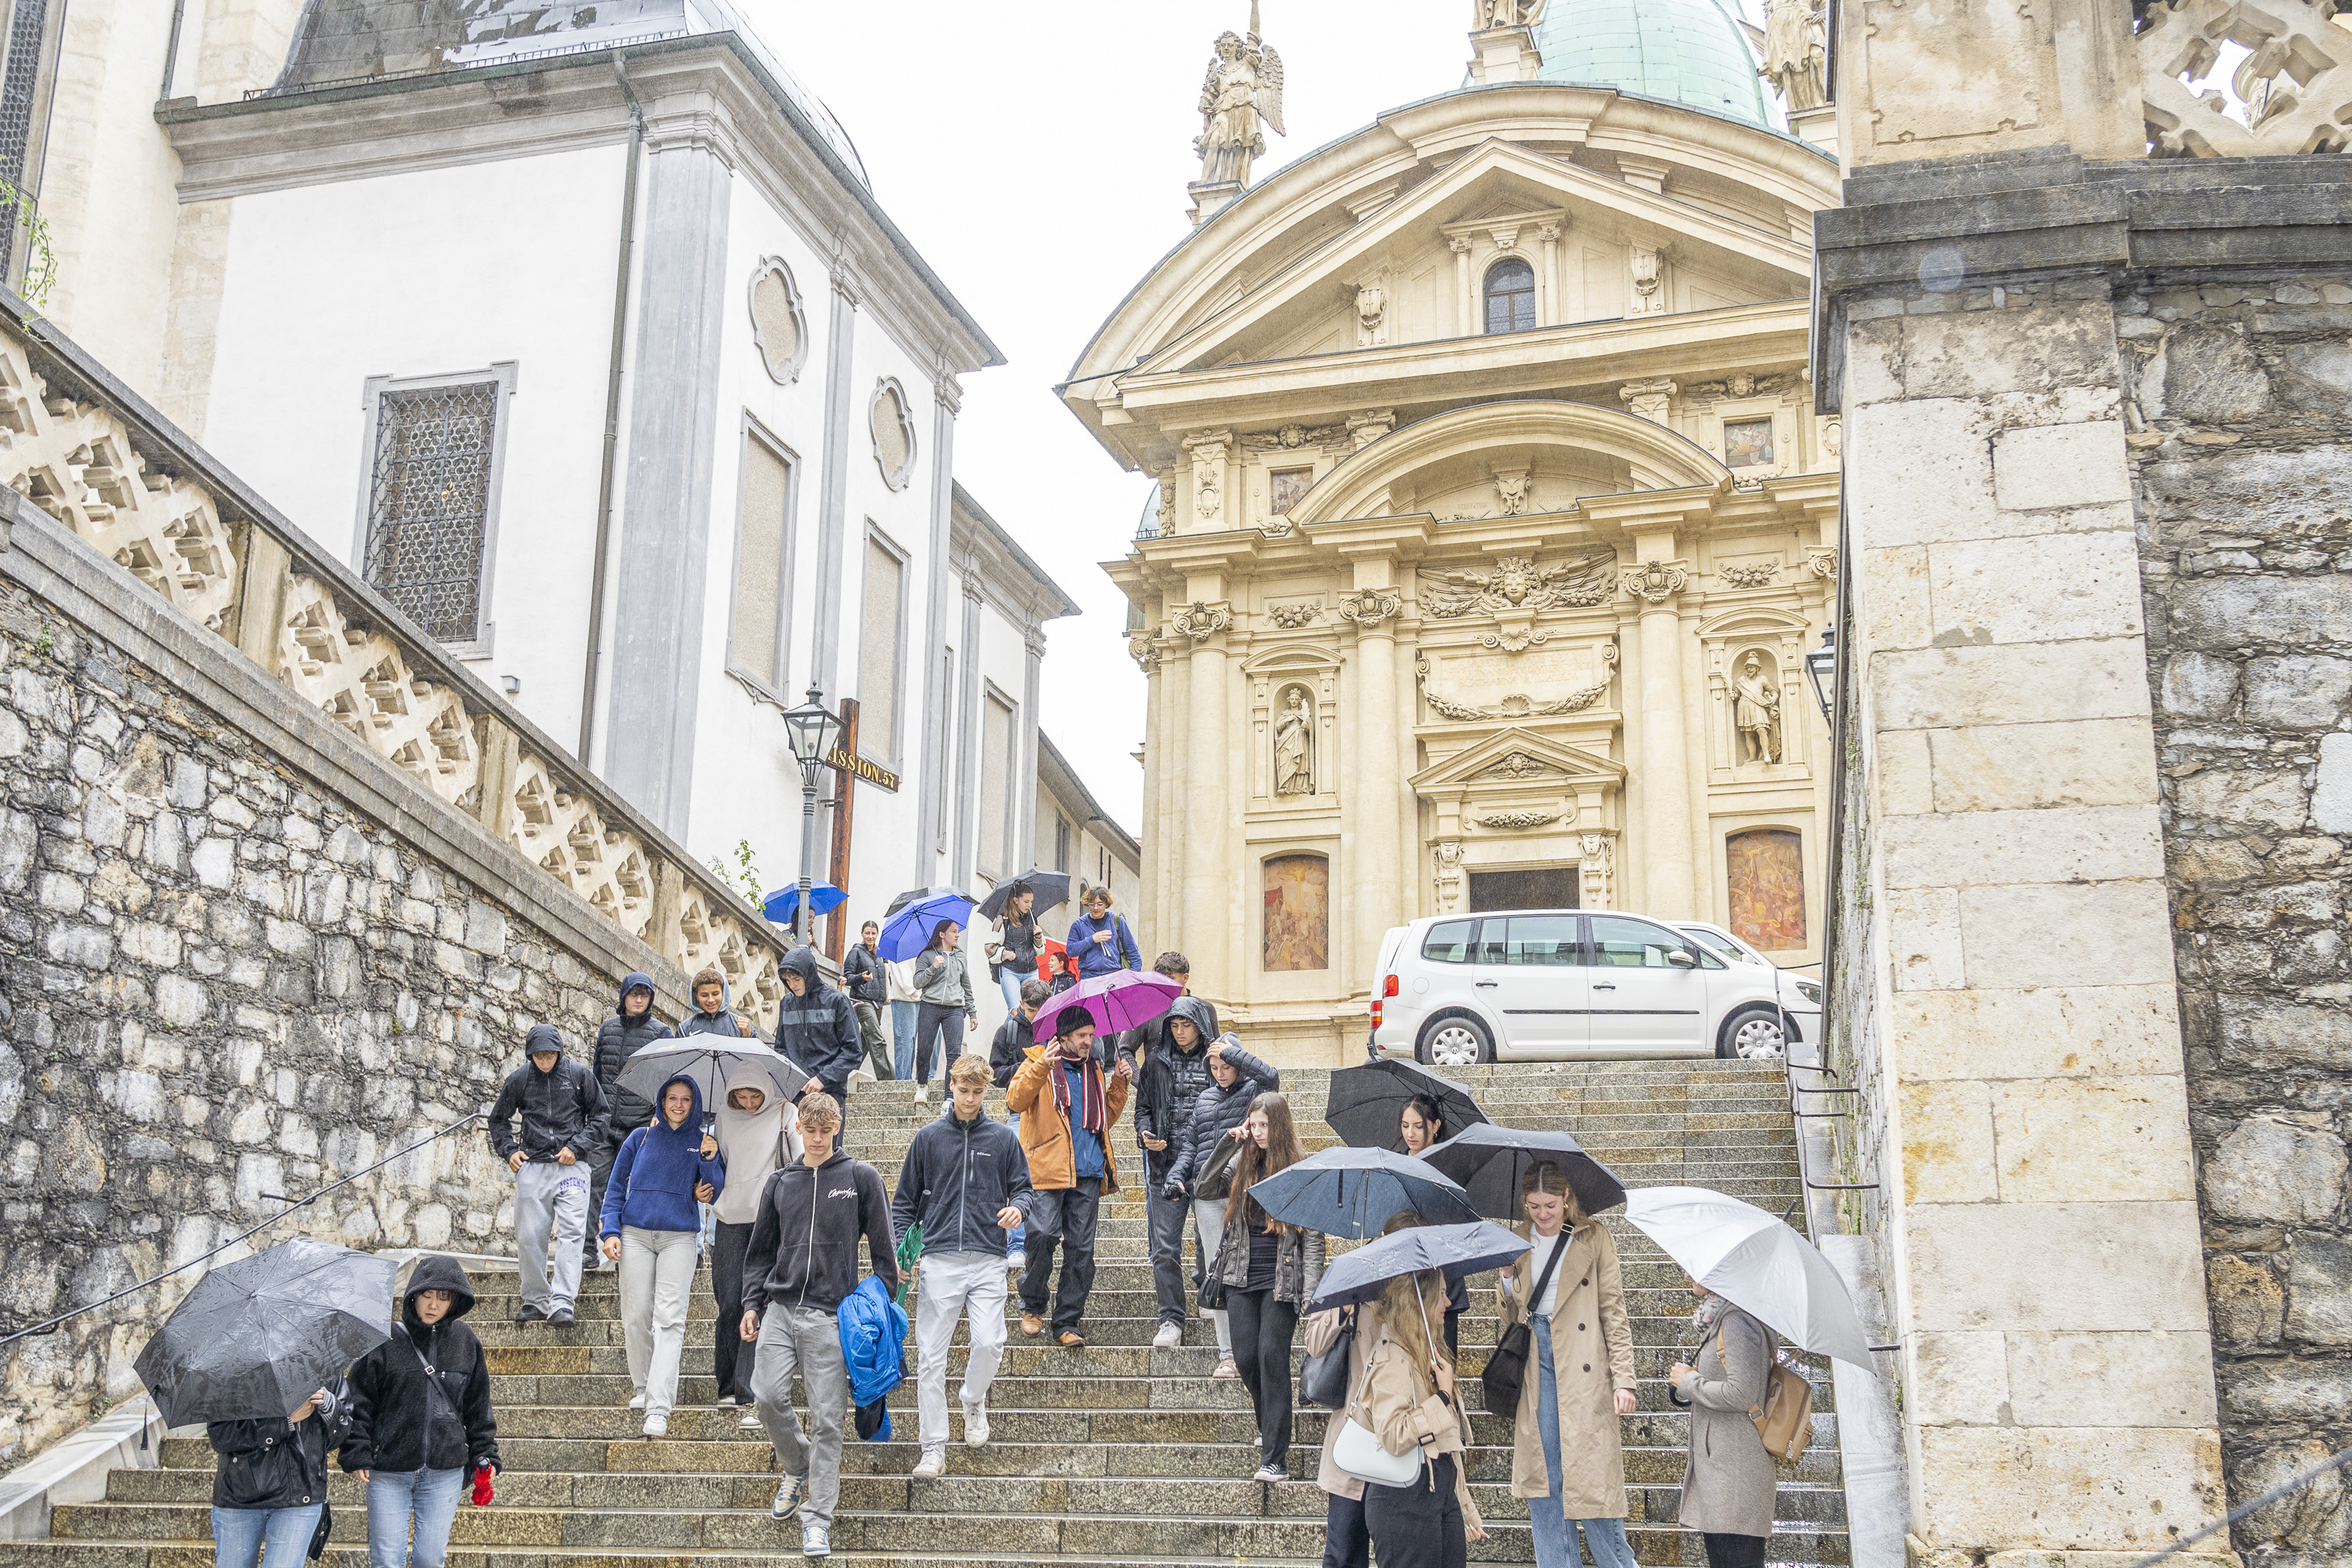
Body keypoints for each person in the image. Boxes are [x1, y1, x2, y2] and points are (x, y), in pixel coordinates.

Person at [742, 1091, 898, 1559]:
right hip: (780, 1308)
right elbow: (759, 1252)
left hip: (831, 1315)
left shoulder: (860, 1177)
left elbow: (885, 1253)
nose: (815, 1138)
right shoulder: (780, 1183)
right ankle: (797, 1463)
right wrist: (752, 1303)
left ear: (836, 1129)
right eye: (808, 1130)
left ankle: (818, 1519)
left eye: (824, 1130)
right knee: (766, 1395)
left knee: (829, 1419)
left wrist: (879, 1303)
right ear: (798, 1130)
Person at [891, 1052, 1030, 1479]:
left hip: (989, 1257)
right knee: (931, 1359)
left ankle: (973, 1397)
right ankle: (933, 1446)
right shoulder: (928, 1138)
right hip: (938, 1259)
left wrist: (1018, 1212)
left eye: (977, 1092)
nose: (970, 1099)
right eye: (963, 1090)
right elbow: (903, 1205)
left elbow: (1023, 1189)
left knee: (990, 1342)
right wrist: (902, 1252)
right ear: (950, 1086)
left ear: (987, 1091)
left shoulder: (1004, 1139)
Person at [1497, 1163, 1638, 1568]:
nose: (1543, 1214)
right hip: (1535, 1359)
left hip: (1584, 1358)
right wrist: (1506, 1277)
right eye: (1534, 1206)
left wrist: (1623, 1380)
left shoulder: (1594, 1237)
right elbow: (1508, 1319)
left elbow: (1613, 1310)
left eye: (1551, 1205)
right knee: (1545, 1479)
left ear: (1567, 1199)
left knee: (1592, 1479)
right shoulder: (1515, 1240)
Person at [341, 1256, 499, 1568]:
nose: (433, 1305)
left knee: (430, 1558)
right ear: (414, 1294)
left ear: (454, 1301)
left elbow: (478, 1406)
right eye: (427, 1295)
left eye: (443, 1297)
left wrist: (486, 1453)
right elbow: (358, 1400)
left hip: (445, 1471)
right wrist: (357, 1449)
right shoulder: (383, 1340)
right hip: (388, 1469)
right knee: (386, 1560)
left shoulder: (466, 1341)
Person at [599, 1074, 726, 1436]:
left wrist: (711, 1160)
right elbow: (614, 1187)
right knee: (636, 1315)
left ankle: (659, 1407)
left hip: (679, 1239)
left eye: (687, 1099)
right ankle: (642, 1386)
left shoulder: (703, 1142)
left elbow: (712, 1191)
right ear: (662, 1099)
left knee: (670, 1319)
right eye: (673, 1098)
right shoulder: (639, 1138)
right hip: (635, 1234)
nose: (679, 1105)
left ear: (695, 1103)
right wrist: (609, 1230)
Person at [1213, 1092, 1323, 1481]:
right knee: (1245, 1358)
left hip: (1282, 1281)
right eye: (1254, 1125)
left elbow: (1312, 1238)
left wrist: (1312, 1292)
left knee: (1271, 1357)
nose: (1258, 1133)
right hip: (1241, 1277)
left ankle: (1274, 1457)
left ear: (1279, 1125)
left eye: (1264, 1126)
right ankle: (1272, 1433)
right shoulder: (1243, 1165)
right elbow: (1204, 1186)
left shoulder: (1301, 1169)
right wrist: (1230, 1141)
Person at [1007, 1006, 1131, 1348]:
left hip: (1088, 1171)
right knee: (1042, 1235)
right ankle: (1032, 1305)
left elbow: (1104, 1118)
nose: (1089, 1041)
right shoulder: (1039, 1062)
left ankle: (1067, 1321)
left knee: (1081, 1250)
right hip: (1048, 1169)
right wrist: (1041, 1066)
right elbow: (1015, 1100)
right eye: (1082, 1036)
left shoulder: (1096, 1071)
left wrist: (1120, 1084)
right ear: (1063, 1038)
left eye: (1091, 1035)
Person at [1356, 1267, 1486, 1568]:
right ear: (1422, 1301)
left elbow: (1446, 1444)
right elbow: (1394, 1435)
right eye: (1441, 1294)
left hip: (1438, 1494)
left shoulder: (1427, 1354)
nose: (1449, 1302)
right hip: (1403, 1501)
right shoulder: (1393, 1357)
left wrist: (1464, 1507)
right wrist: (1442, 1397)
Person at [1166, 1031, 1277, 1377]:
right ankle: (1227, 1354)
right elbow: (1190, 1146)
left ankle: (1252, 1345)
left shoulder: (1253, 1093)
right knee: (1219, 1272)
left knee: (1244, 1270)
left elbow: (1271, 1077)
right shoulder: (1203, 1100)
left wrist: (1234, 1052)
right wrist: (1176, 1175)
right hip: (1208, 1195)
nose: (1220, 1071)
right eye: (1214, 1066)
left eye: (1226, 1064)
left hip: (1243, 1192)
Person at [488, 1022, 607, 1327]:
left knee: (572, 1234)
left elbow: (601, 1116)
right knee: (529, 1236)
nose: (544, 1060)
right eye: (538, 1055)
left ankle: (564, 1302)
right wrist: (509, 1150)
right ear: (530, 1055)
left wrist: (578, 1147)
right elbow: (498, 1119)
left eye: (549, 1055)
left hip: (573, 1167)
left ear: (559, 1052)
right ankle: (536, 1299)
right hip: (534, 1164)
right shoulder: (520, 1079)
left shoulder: (580, 1076)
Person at [1668, 1276, 1780, 1568]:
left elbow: (1742, 1393)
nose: (1687, 1275)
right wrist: (1698, 1377)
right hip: (1725, 1467)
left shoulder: (1737, 1320)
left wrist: (1690, 1381)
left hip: (1734, 1472)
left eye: (1697, 1268)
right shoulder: (1725, 1316)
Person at [1130, 985, 1218, 1349]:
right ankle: (1171, 1319)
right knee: (1164, 1248)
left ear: (1199, 1024)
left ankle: (1209, 1293)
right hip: (1164, 1166)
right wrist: (1145, 1134)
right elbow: (1142, 1110)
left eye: (1187, 1024)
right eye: (1175, 1024)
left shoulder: (1215, 1061)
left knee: (1208, 1240)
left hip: (1206, 1166)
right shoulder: (1155, 1062)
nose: (1180, 1030)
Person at [710, 1081, 800, 1423]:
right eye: (741, 1097)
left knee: (757, 1303)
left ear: (766, 1090)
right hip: (729, 1218)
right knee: (729, 1301)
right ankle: (727, 1383)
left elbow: (802, 1159)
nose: (748, 1103)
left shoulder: (785, 1111)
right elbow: (720, 1164)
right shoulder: (723, 1116)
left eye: (755, 1096)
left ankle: (748, 1391)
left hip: (769, 1219)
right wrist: (707, 1160)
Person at [207, 1381, 348, 1568]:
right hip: (240, 1490)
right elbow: (220, 1435)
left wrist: (330, 1406)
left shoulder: (323, 1361)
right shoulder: (233, 1366)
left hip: (300, 1494)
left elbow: (342, 1432)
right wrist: (284, 1423)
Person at [590, 972, 673, 1272]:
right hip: (605, 1123)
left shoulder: (661, 1032)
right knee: (595, 1185)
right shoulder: (608, 1029)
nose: (639, 999)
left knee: (634, 1189)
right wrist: (595, 1113)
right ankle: (590, 1249)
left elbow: (670, 1079)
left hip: (640, 1126)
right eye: (634, 994)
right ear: (623, 996)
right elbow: (597, 1074)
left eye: (645, 994)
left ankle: (629, 1252)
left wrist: (658, 1115)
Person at [1302, 1294, 1378, 1568]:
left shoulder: (1413, 1288)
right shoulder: (1348, 1285)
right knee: (1343, 1550)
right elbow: (1314, 1343)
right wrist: (1345, 1307)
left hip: (1397, 1435)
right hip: (1353, 1431)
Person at [988, 976, 1052, 1272]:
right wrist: (1030, 1065)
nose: (1037, 1016)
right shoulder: (1009, 1032)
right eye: (1031, 1010)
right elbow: (996, 1073)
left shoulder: (1056, 1030)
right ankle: (1015, 1244)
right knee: (1018, 1176)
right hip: (1020, 1113)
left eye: (1042, 1010)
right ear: (1021, 1006)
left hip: (1054, 1112)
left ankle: (1046, 1237)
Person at [1398, 1095, 1468, 1356]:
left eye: (1418, 1125)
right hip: (1408, 1275)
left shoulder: (1450, 1166)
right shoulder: (1396, 1163)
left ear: (1435, 1125)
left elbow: (1461, 1219)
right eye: (1405, 1126)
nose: (1410, 1133)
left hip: (1443, 1275)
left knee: (1444, 1361)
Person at [777, 946, 863, 1129]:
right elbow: (781, 1048)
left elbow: (853, 1051)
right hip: (797, 1094)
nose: (793, 985)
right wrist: (793, 1078)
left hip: (830, 1092)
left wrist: (823, 1078)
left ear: (809, 974)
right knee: (798, 1154)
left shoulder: (837, 1001)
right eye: (788, 980)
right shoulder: (786, 1003)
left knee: (828, 1152)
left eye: (797, 979)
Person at [909, 919, 977, 1103]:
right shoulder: (927, 955)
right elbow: (917, 983)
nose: (957, 935)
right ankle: (922, 1086)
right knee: (924, 1049)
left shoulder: (960, 957)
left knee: (954, 1053)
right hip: (930, 1005)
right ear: (942, 934)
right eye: (953, 932)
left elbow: (966, 985)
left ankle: (949, 1096)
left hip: (955, 1008)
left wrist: (972, 1012)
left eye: (958, 931)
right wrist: (934, 967)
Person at [842, 921, 893, 1080]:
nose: (870, 937)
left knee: (864, 1043)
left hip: (878, 1003)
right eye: (867, 933)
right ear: (862, 934)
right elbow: (847, 977)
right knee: (878, 1040)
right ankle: (888, 1081)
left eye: (873, 933)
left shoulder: (880, 955)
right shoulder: (856, 952)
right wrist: (861, 978)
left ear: (877, 934)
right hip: (862, 1002)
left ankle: (845, 1074)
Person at [983, 882, 1041, 1014]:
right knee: (1015, 1011)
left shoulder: (1033, 920)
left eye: (1031, 901)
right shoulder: (1002, 920)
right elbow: (989, 948)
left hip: (1031, 970)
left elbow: (1040, 951)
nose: (1030, 905)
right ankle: (1004, 1035)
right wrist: (1007, 954)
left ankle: (1008, 1034)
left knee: (1032, 1012)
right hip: (1011, 971)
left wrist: (1038, 937)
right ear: (1016, 900)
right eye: (1026, 901)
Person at [1064, 887, 1139, 979]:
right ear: (1087, 904)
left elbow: (1133, 952)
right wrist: (1092, 940)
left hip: (1114, 976)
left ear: (1106, 904)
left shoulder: (1117, 921)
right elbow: (1070, 951)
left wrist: (1133, 978)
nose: (1095, 908)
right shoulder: (1079, 925)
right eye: (1092, 904)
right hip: (1088, 977)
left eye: (1100, 904)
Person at [680, 965, 755, 1038]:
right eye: (704, 995)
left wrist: (749, 1037)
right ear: (696, 996)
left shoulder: (741, 1026)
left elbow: (757, 1050)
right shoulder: (685, 1028)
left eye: (715, 994)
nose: (711, 1000)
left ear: (723, 993)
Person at [887, 949, 922, 1081]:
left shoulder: (917, 947)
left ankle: (907, 1078)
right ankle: (903, 1081)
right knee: (905, 1042)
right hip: (902, 999)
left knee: (912, 1042)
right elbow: (906, 984)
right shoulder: (897, 948)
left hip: (917, 999)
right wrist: (920, 989)